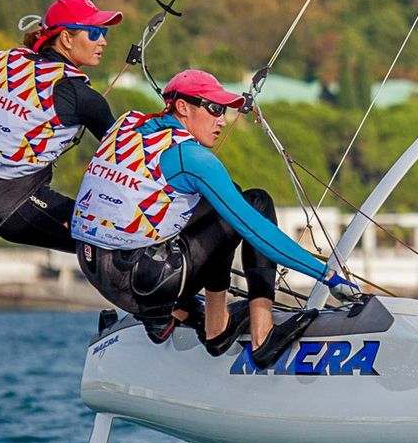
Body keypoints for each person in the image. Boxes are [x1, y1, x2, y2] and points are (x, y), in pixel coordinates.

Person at [70, 69, 357, 366]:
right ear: (182, 107)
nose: (222, 120)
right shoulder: (189, 158)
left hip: (95, 269)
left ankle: (178, 320)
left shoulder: (128, 126)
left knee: (220, 198)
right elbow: (255, 230)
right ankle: (260, 335)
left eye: (225, 111)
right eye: (215, 109)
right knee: (256, 203)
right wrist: (327, 276)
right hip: (143, 285)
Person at [0, 0, 121, 253]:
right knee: (112, 240)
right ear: (66, 38)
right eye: (93, 32)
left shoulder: (7, 62)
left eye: (103, 32)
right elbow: (124, 155)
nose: (102, 40)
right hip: (11, 205)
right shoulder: (81, 95)